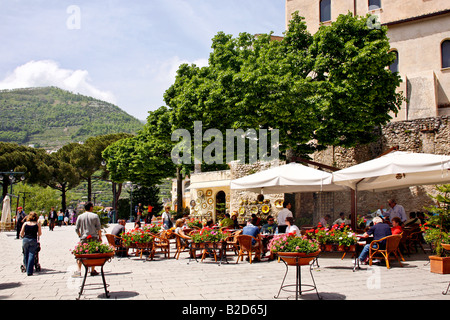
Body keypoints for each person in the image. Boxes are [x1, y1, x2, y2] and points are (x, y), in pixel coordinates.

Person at [74, 202, 102, 277]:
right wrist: (100, 237)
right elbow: (99, 228)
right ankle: (92, 270)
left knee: (80, 254)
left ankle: (78, 271)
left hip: (84, 237)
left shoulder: (80, 216)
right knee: (93, 254)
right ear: (90, 207)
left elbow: (76, 229)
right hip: (93, 237)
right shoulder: (95, 216)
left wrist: (80, 235)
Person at [20, 211, 42, 276]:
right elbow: (40, 233)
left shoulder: (25, 223)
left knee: (25, 254)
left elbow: (21, 233)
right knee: (32, 254)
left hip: (25, 239)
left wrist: (23, 236)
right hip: (33, 239)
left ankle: (27, 268)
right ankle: (30, 271)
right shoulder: (37, 224)